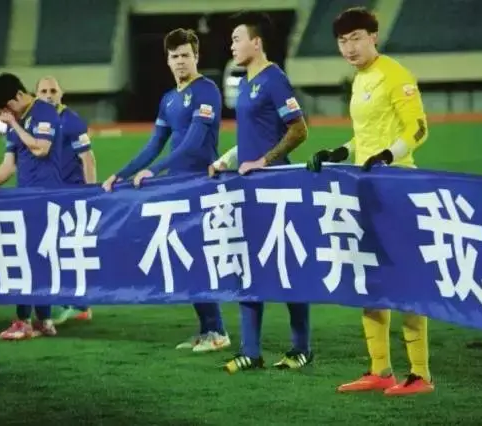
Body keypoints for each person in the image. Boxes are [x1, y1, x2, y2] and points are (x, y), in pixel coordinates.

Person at [306, 7, 433, 396]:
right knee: (370, 279)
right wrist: (341, 152)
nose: (349, 47)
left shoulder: (395, 74)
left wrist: (388, 157)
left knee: (406, 279)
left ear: (374, 36)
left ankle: (420, 374)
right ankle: (380, 370)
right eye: (342, 41)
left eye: (356, 38)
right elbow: (365, 135)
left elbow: (418, 129)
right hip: (366, 189)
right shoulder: (360, 79)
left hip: (397, 187)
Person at [102, 28, 230, 353]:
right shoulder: (169, 99)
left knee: (197, 257)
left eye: (186, 55)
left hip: (200, 183)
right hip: (177, 186)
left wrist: (156, 170)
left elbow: (194, 142)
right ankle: (207, 329)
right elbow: (154, 144)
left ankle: (218, 331)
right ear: (167, 60)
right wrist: (121, 174)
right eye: (175, 56)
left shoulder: (206, 90)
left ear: (196, 57)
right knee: (185, 257)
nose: (180, 61)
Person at [209, 11, 311, 374]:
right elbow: (253, 138)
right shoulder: (246, 83)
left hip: (276, 189)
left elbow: (299, 130)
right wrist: (226, 160)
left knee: (285, 268)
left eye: (237, 39)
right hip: (250, 190)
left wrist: (264, 161)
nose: (232, 45)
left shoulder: (274, 79)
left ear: (257, 42)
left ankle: (301, 348)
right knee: (248, 269)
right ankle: (250, 352)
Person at [0, 72, 66, 341]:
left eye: (6, 107)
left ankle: (25, 321)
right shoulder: (15, 121)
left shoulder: (44, 112)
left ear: (18, 95)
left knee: (30, 257)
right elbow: (9, 163)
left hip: (47, 198)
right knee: (34, 257)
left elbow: (41, 149)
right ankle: (44, 320)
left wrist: (14, 123)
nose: (5, 114)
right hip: (25, 198)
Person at [36, 75, 96, 325]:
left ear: (61, 94)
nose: (49, 95)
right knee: (50, 249)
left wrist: (91, 194)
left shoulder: (70, 120)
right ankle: (68, 301)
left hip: (70, 194)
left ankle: (80, 305)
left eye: (53, 91)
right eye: (43, 91)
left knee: (68, 249)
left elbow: (87, 159)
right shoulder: (35, 120)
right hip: (46, 195)